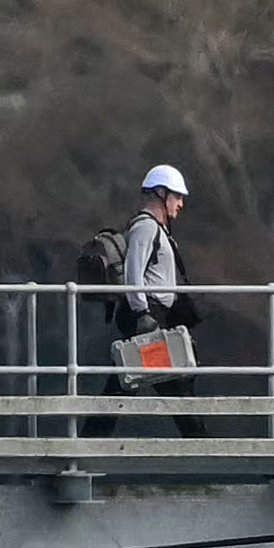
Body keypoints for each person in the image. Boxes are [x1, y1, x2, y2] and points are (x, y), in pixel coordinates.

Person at [113, 164, 211, 439]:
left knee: (120, 388)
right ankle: (209, 450)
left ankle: (79, 450)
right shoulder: (146, 228)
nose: (180, 204)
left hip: (155, 317)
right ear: (161, 193)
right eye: (177, 197)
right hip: (149, 318)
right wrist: (142, 313)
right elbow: (134, 273)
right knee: (177, 390)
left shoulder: (157, 229)